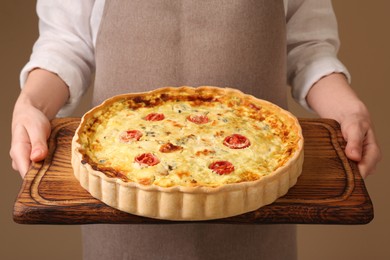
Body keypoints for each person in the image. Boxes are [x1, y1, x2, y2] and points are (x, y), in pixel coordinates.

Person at [10, 0, 381, 259]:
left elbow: (309, 48)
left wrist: (348, 109)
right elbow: (66, 45)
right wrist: (32, 104)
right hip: (120, 205)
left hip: (259, 198)